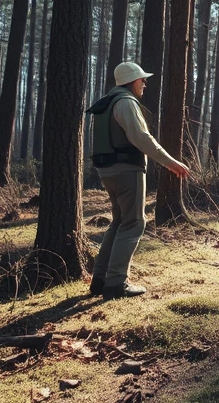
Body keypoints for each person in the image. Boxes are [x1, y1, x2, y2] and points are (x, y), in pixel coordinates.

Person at [86, 62, 191, 299]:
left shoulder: (108, 102)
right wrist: (170, 162)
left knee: (119, 222)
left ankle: (100, 280)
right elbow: (141, 138)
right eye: (142, 79)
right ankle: (116, 284)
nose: (145, 83)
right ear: (131, 81)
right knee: (134, 222)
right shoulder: (125, 102)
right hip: (127, 170)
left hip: (107, 171)